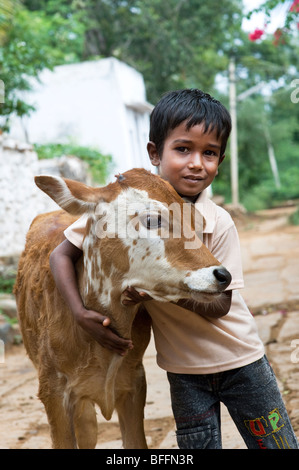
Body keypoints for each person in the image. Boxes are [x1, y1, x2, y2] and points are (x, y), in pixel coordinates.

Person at [49, 89, 298, 449]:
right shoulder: (127, 210)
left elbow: (220, 305)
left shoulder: (218, 222)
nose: (197, 163)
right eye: (183, 149)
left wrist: (155, 289)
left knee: (278, 445)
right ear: (155, 153)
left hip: (242, 364)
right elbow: (62, 254)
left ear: (219, 160)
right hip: (185, 375)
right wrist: (78, 313)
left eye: (209, 153)